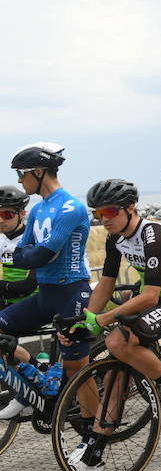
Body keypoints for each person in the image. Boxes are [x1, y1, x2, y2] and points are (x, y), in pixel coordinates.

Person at [47, 179, 161, 471]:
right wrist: (86, 319)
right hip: (150, 298)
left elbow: (151, 297)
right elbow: (105, 284)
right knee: (113, 371)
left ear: (131, 208)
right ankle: (93, 457)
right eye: (98, 213)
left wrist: (103, 320)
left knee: (118, 338)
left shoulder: (153, 235)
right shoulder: (115, 238)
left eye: (109, 211)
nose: (103, 218)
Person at [0, 144, 92, 425]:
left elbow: (39, 254)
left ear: (38, 172)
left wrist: (32, 255)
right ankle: (34, 384)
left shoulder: (71, 207)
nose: (18, 180)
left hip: (72, 293)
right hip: (46, 295)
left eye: (21, 173)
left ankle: (93, 438)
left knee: (79, 373)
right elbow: (20, 253)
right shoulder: (40, 209)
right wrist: (31, 255)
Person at [0, 185, 36, 307]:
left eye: (7, 214)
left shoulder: (34, 240)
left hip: (32, 306)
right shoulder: (1, 240)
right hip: (8, 304)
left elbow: (28, 287)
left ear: (22, 214)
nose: (0, 220)